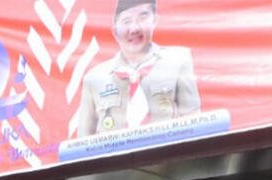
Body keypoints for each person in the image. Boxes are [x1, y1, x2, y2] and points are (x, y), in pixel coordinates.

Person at [77, 0, 200, 137]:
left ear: (154, 20)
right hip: (116, 158)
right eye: (126, 21)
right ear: (115, 31)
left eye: (143, 17)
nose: (134, 29)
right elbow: (83, 141)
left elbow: (194, 125)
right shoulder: (94, 78)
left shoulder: (178, 61)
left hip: (169, 156)